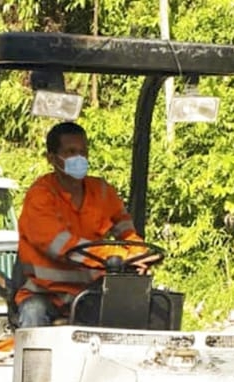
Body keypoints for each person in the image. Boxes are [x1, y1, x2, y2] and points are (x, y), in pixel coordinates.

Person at [14, 122, 153, 328]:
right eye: (71, 152)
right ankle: (31, 360)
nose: (79, 158)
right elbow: (62, 246)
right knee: (33, 313)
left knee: (131, 318)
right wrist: (119, 257)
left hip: (91, 292)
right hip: (44, 293)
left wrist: (140, 255)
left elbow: (127, 231)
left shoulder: (103, 191)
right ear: (52, 158)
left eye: (83, 152)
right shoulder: (40, 196)